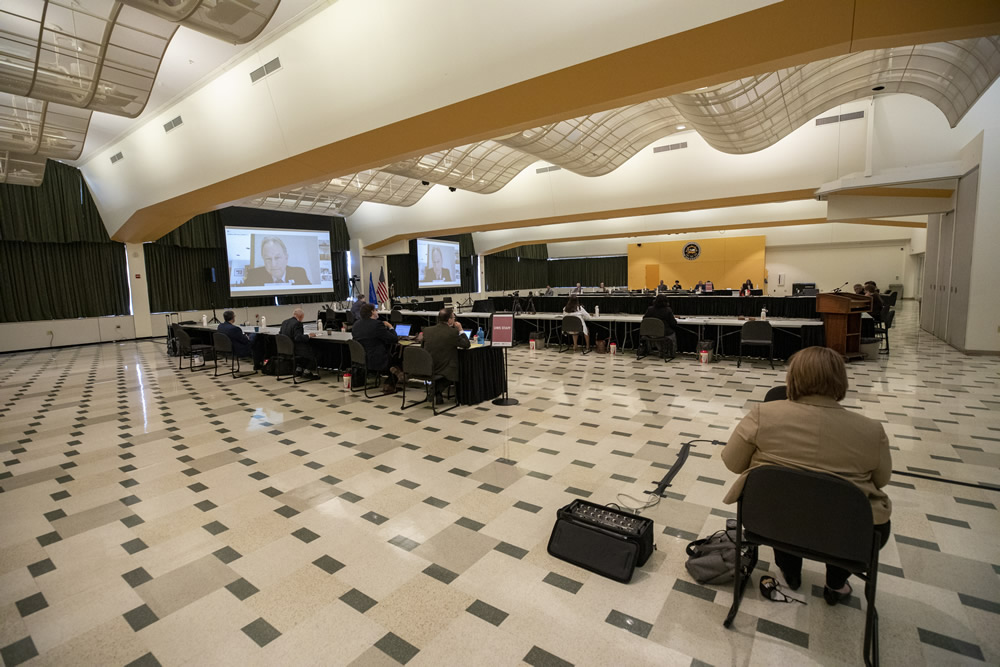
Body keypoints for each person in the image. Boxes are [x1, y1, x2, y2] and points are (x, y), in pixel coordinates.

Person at [721, 346, 892, 604]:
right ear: (841, 381)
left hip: (771, 522)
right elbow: (882, 480)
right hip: (847, 534)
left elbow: (732, 462)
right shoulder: (871, 431)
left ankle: (790, 570)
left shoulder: (762, 414)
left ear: (792, 378)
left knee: (784, 500)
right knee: (847, 514)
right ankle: (836, 582)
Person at [352, 303, 404, 393]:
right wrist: (390, 327)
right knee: (399, 357)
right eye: (376, 310)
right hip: (376, 360)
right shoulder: (377, 324)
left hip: (361, 361)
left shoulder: (356, 324)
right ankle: (389, 384)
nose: (377, 312)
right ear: (372, 312)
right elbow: (393, 339)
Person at [421, 308, 470, 402]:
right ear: (449, 320)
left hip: (429, 366)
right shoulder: (452, 332)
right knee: (458, 368)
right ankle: (436, 390)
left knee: (442, 368)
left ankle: (436, 392)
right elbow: (466, 344)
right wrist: (460, 330)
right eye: (453, 318)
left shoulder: (427, 330)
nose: (454, 320)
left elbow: (422, 347)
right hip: (445, 368)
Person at [244, 237, 311, 286]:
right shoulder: (253, 276)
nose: (273, 264)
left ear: (286, 258)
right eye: (268, 259)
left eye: (277, 258)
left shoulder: (299, 273)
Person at [278, 308, 318, 378]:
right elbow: (298, 338)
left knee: (305, 350)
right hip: (295, 349)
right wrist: (308, 336)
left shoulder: (284, 322)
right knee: (316, 350)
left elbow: (280, 334)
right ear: (301, 316)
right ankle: (307, 371)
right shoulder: (298, 323)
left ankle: (299, 369)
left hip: (285, 349)